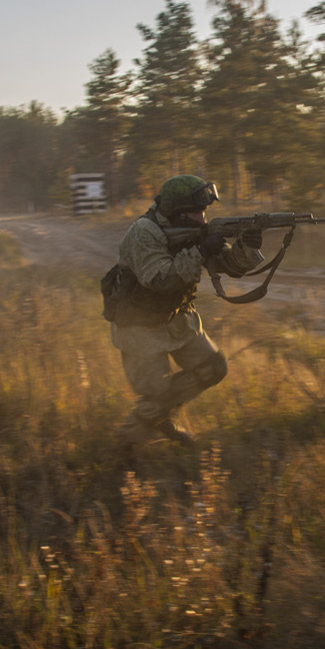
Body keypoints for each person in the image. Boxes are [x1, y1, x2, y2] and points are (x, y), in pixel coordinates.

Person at [109, 174, 264, 449]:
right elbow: (160, 279)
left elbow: (231, 266)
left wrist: (247, 246)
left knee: (213, 367)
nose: (202, 219)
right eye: (195, 212)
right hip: (139, 327)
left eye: (204, 211)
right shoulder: (144, 232)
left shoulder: (195, 230)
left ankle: (158, 417)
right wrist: (201, 250)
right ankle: (127, 444)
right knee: (156, 394)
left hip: (177, 320)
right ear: (177, 212)